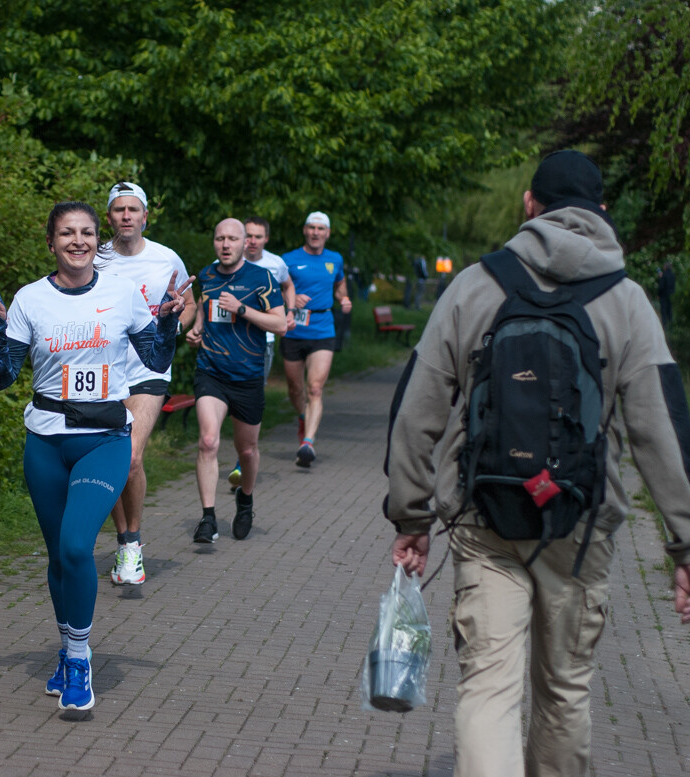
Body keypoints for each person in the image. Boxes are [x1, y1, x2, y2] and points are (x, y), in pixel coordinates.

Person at [385, 149, 690, 777]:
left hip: (483, 520)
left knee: (489, 689)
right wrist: (685, 547)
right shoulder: (628, 301)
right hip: (577, 526)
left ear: (530, 205)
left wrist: (409, 514)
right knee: (565, 691)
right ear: (602, 212)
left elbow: (417, 407)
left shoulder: (475, 283)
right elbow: (662, 431)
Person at [0, 201, 188, 711]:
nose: (78, 241)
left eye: (87, 233)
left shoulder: (120, 295)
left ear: (99, 241)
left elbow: (154, 360)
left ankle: (77, 657)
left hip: (104, 438)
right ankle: (69, 648)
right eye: (67, 233)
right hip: (46, 440)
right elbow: (1, 378)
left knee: (75, 547)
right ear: (50, 242)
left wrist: (168, 323)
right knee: (58, 559)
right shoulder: (29, 299)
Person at [95, 182, 197, 586]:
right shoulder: (95, 257)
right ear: (109, 218)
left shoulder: (164, 258)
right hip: (103, 369)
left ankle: (132, 544)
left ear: (145, 216)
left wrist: (176, 326)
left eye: (133, 209)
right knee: (112, 459)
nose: (126, 216)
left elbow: (188, 303)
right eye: (118, 209)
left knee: (131, 457)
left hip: (149, 369)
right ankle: (123, 541)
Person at [185, 218, 286, 543]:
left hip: (247, 376)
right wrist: (198, 326)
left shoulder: (262, 278)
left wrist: (242, 309)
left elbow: (281, 324)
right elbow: (204, 303)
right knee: (209, 441)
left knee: (247, 450)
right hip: (211, 371)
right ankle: (208, 518)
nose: (225, 244)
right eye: (220, 238)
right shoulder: (208, 274)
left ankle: (245, 500)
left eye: (232, 239)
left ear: (245, 244)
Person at [225, 216, 294, 488]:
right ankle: (243, 452)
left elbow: (288, 285)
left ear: (266, 239)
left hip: (262, 341)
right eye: (248, 235)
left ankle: (243, 459)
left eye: (258, 236)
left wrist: (288, 313)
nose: (252, 241)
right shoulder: (229, 261)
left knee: (250, 398)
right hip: (229, 339)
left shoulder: (275, 264)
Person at [280, 211, 352, 467]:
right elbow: (274, 290)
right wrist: (291, 298)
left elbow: (339, 284)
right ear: (305, 231)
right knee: (295, 388)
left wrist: (343, 298)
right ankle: (303, 417)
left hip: (323, 328)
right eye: (311, 228)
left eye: (320, 229)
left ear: (327, 233)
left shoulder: (335, 259)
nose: (315, 233)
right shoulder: (288, 259)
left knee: (315, 388)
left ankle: (308, 443)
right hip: (293, 330)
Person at [657, 260, 675, 328]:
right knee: (670, 310)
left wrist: (658, 294)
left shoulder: (663, 276)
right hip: (671, 295)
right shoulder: (673, 275)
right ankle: (671, 326)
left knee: (663, 311)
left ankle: (665, 326)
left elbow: (661, 286)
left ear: (665, 267)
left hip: (663, 296)